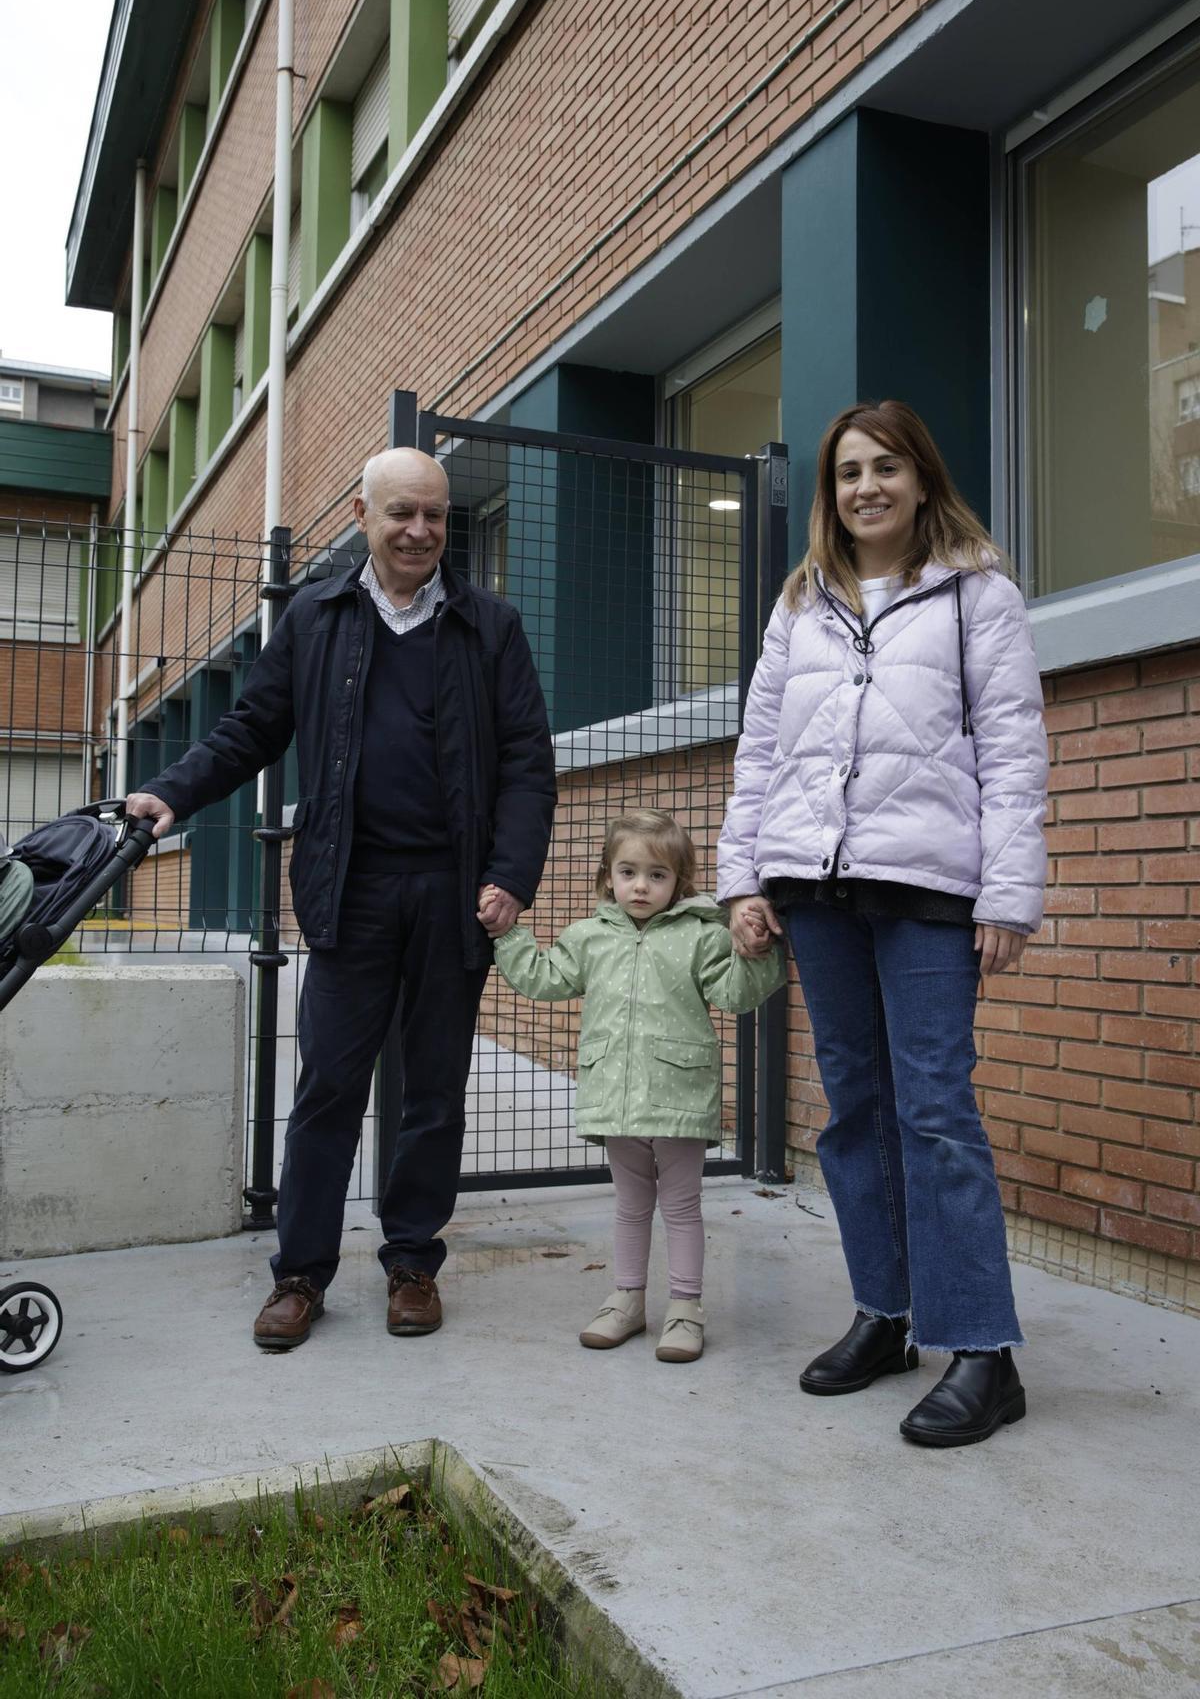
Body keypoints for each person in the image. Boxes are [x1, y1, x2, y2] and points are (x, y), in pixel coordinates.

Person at [125, 448, 556, 1349]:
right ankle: (299, 1274)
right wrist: (173, 792)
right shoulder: (317, 617)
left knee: (436, 1091)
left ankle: (410, 1262)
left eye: (435, 516)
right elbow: (250, 729)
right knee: (328, 1087)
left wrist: (511, 874)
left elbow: (526, 761)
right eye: (402, 513)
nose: (420, 532)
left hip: (453, 892)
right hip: (349, 887)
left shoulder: (490, 627)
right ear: (362, 513)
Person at [719, 400, 1048, 1447]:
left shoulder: (975, 594)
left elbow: (1012, 750)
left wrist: (1006, 893)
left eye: (886, 468)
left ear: (921, 477)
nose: (866, 488)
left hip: (927, 893)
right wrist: (743, 879)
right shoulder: (800, 602)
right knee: (854, 1108)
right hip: (816, 888)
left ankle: (984, 1352)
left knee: (937, 1110)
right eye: (849, 472)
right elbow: (759, 749)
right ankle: (887, 1313)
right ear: (832, 493)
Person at [488, 809, 785, 1363]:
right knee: (629, 1204)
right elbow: (544, 978)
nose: (641, 886)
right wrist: (508, 936)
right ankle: (626, 1300)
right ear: (608, 878)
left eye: (657, 874)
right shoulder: (588, 937)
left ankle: (686, 1308)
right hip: (615, 1094)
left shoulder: (703, 936)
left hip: (679, 1094)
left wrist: (758, 953)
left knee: (681, 1205)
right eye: (628, 872)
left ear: (680, 882)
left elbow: (734, 995)